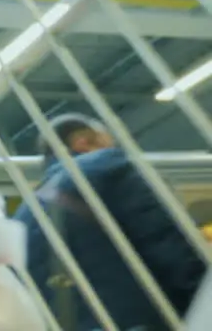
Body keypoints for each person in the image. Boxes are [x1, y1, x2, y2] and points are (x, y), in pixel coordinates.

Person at [14, 113, 207, 330]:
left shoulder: (26, 212)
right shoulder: (108, 166)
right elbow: (167, 243)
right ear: (83, 142)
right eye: (108, 140)